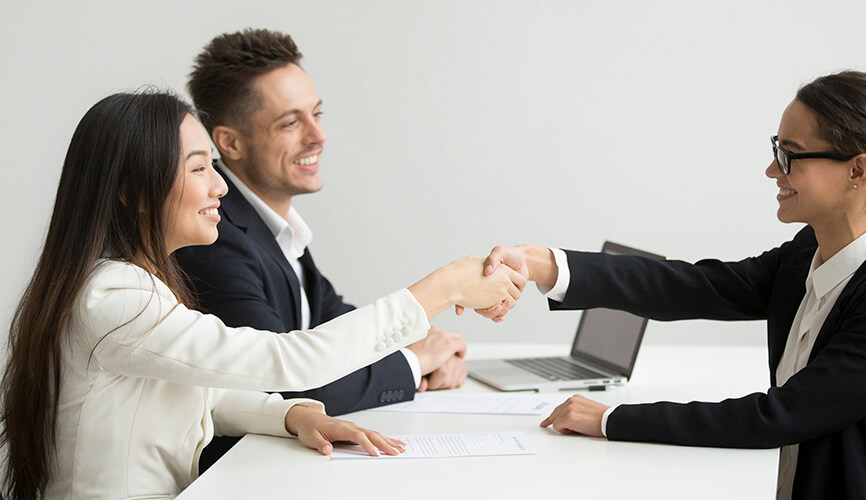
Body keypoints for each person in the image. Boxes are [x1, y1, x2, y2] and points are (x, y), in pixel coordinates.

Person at [477, 71, 866, 499]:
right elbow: (693, 285)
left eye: (790, 154)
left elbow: (777, 416)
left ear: (857, 171)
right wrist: (546, 264)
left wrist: (612, 419)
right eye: (776, 149)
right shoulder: (806, 257)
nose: (773, 169)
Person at [0, 91, 524, 500]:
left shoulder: (130, 285)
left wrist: (294, 417)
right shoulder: (114, 299)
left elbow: (202, 390)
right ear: (133, 192)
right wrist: (443, 287)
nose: (220, 188)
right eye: (199, 168)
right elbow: (289, 359)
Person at [173, 28, 472, 471]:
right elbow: (286, 383)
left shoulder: (273, 226)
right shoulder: (215, 239)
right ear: (229, 143)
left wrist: (426, 348)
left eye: (317, 114)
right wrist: (414, 363)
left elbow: (334, 321)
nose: (318, 136)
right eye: (291, 123)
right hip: (240, 476)